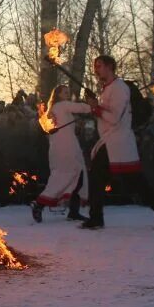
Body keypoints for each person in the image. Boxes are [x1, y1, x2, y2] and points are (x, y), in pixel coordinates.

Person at [82, 55, 154, 231]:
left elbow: (114, 117)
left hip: (118, 142)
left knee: (135, 183)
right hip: (110, 141)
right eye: (95, 66)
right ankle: (96, 218)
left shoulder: (119, 88)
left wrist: (96, 107)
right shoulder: (108, 88)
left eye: (99, 66)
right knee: (100, 177)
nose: (96, 70)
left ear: (110, 66)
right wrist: (94, 105)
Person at [32, 85, 90, 222]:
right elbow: (81, 108)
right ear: (58, 95)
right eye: (65, 92)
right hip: (66, 147)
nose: (68, 94)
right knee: (65, 177)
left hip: (62, 147)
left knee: (77, 176)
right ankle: (39, 204)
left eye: (68, 92)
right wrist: (93, 105)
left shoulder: (53, 109)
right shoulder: (62, 105)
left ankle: (73, 211)